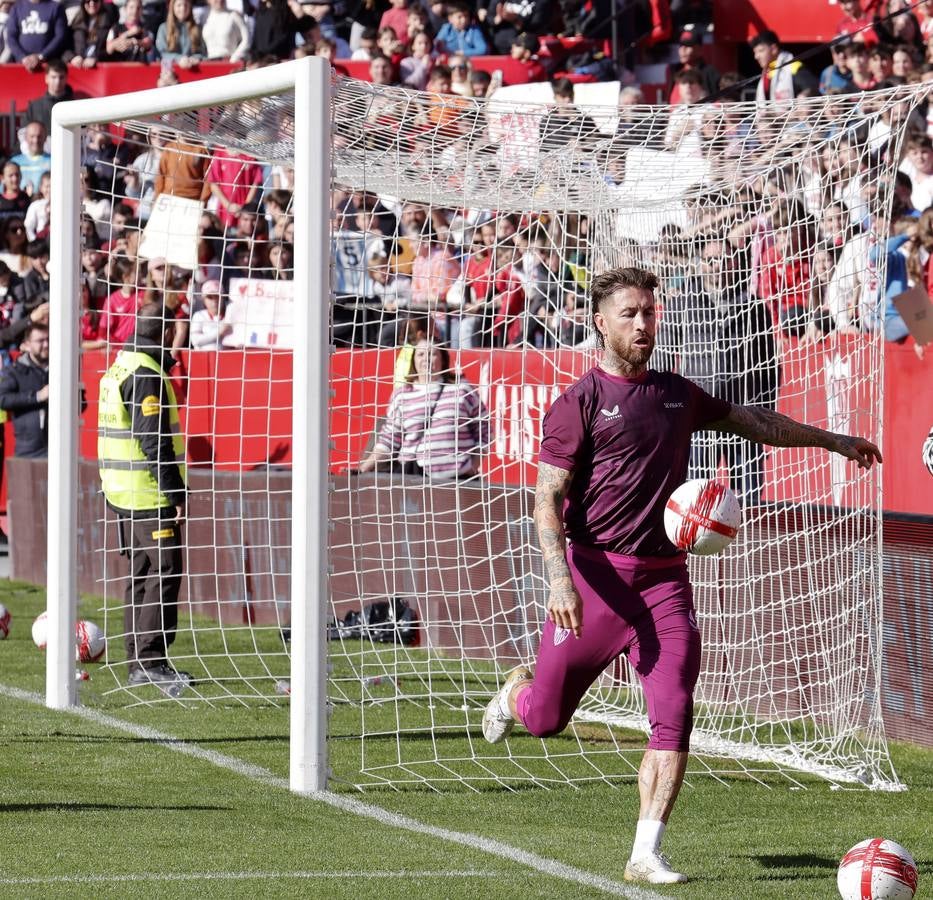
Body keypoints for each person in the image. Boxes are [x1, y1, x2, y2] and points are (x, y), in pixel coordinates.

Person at [480, 266, 882, 885]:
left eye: (649, 311)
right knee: (545, 720)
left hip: (665, 583)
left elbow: (755, 422)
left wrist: (832, 440)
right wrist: (559, 581)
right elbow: (545, 500)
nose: (643, 324)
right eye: (629, 314)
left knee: (673, 708)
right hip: (593, 582)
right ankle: (516, 692)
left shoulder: (676, 392)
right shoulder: (577, 405)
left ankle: (645, 852)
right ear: (601, 323)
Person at [97, 302, 190, 696]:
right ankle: (150, 661)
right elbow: (153, 441)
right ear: (166, 333)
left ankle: (138, 659)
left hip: (121, 491)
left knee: (140, 574)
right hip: (147, 494)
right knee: (165, 570)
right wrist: (176, 493)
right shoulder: (146, 374)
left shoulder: (120, 365)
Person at [357, 339, 488, 480]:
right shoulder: (402, 395)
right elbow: (389, 439)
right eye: (420, 354)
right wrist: (363, 468)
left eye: (432, 354)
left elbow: (485, 430)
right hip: (413, 477)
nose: (426, 358)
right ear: (413, 361)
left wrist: (473, 465)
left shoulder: (463, 391)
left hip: (456, 478)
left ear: (443, 359)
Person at [0, 321, 49, 457]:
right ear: (27, 345)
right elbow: (3, 399)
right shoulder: (15, 371)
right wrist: (37, 396)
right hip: (28, 452)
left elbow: (82, 405)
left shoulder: (60, 369)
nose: (46, 345)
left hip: (60, 451)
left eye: (48, 339)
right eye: (40, 341)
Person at [750, 30, 818, 102]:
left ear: (774, 49)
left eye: (760, 51)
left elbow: (813, 88)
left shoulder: (793, 67)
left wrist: (804, 96)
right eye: (755, 52)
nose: (756, 56)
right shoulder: (766, 73)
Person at [5, 0, 69, 71]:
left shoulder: (56, 7)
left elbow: (60, 36)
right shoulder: (17, 7)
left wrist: (41, 56)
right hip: (21, 64)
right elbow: (11, 36)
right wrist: (22, 57)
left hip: (49, 66)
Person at [26, 59, 75, 132]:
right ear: (46, 78)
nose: (57, 81)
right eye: (53, 77)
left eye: (61, 77)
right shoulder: (34, 107)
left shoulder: (75, 106)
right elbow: (24, 133)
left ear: (66, 78)